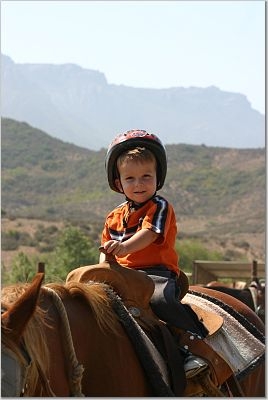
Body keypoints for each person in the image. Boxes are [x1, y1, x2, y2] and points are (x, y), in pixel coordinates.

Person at [100, 129, 208, 376]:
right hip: (122, 275)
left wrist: (125, 247)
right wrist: (102, 271)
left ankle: (192, 343)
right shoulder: (113, 216)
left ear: (158, 178)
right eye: (130, 179)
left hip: (155, 273)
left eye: (146, 176)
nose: (139, 184)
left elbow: (149, 234)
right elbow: (105, 251)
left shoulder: (159, 206)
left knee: (161, 300)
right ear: (119, 183)